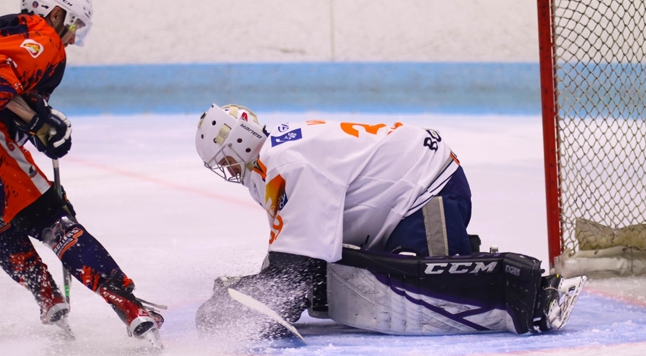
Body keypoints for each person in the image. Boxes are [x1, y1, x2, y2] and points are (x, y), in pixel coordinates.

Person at [193, 104, 585, 341]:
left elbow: (296, 272)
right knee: (354, 274)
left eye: (224, 159)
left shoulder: (285, 162)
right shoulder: (272, 160)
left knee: (431, 286)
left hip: (426, 188)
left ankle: (538, 295)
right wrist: (259, 288)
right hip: (399, 198)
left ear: (239, 143)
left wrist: (257, 299)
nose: (225, 169)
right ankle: (463, 251)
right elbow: (297, 255)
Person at [0, 0, 164, 348]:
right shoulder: (42, 34)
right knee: (49, 218)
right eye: (74, 26)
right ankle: (129, 306)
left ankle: (45, 293)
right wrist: (38, 122)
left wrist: (37, 127)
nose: (72, 39)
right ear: (57, 13)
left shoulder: (9, 33)